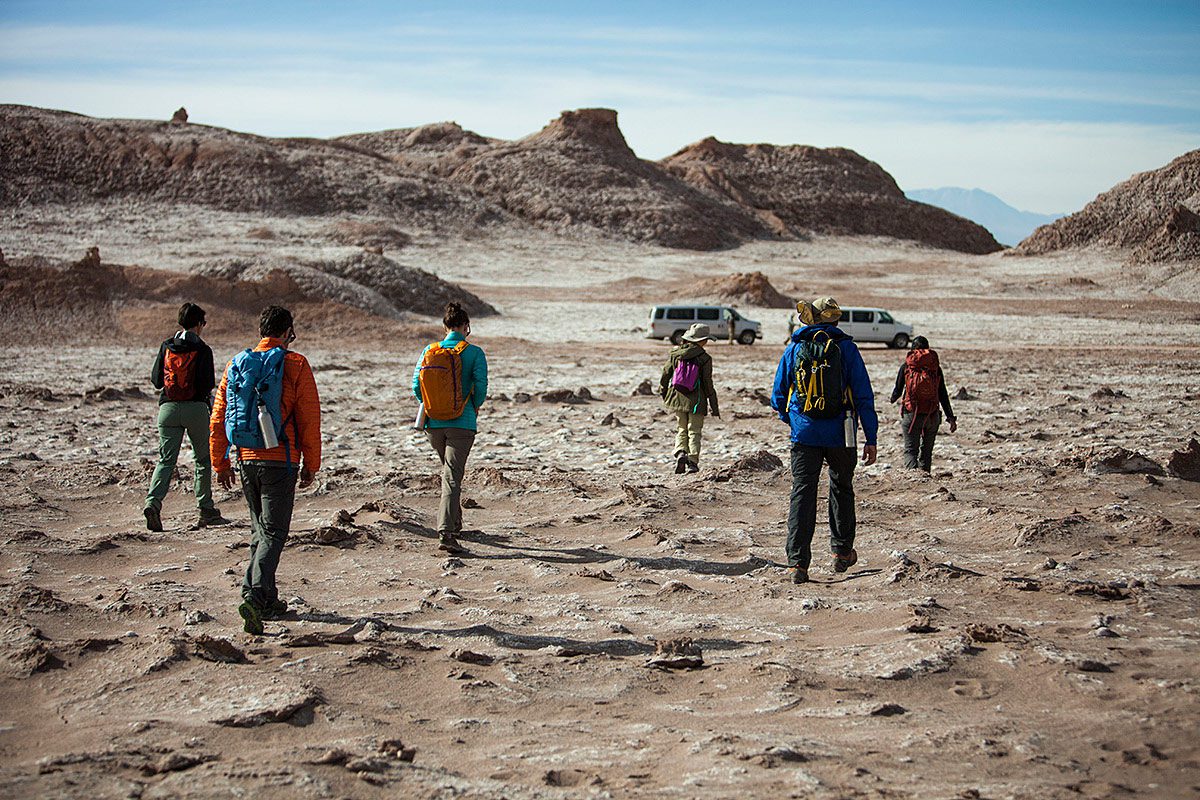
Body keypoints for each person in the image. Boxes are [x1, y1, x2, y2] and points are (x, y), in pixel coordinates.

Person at [209, 306, 321, 634]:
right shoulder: (295, 364)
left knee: (260, 529)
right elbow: (308, 418)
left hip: (245, 459)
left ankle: (267, 597)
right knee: (274, 532)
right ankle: (256, 597)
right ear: (287, 332)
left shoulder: (237, 363)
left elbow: (218, 416)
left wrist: (221, 461)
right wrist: (311, 464)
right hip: (280, 459)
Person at [771, 298, 878, 584]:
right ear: (835, 320)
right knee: (841, 487)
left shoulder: (794, 348)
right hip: (842, 432)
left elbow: (778, 395)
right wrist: (871, 437)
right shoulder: (847, 349)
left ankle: (797, 564)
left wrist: (793, 420)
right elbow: (864, 396)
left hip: (804, 432)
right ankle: (841, 553)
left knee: (802, 492)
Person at [413, 302, 488, 555]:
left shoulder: (428, 350)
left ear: (444, 327)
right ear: (466, 326)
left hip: (433, 424)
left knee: (449, 473)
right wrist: (473, 408)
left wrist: (434, 407)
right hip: (462, 423)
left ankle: (455, 524)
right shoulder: (474, 352)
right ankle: (445, 532)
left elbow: (416, 387)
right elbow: (481, 387)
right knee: (452, 477)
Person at [144, 302, 221, 531]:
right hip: (196, 409)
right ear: (198, 324)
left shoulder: (166, 346)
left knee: (166, 460)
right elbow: (207, 384)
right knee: (202, 460)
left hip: (167, 410)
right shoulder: (203, 350)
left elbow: (157, 380)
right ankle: (205, 508)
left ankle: (153, 503)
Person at [890, 335, 957, 472]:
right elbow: (943, 394)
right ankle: (925, 478)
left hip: (912, 414)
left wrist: (893, 398)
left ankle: (913, 479)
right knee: (926, 452)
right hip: (932, 415)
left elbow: (897, 389)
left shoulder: (907, 367)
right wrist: (950, 417)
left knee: (910, 451)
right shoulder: (935, 368)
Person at [659, 322, 720, 474]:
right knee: (694, 431)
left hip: (677, 397)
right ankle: (692, 462)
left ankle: (680, 452)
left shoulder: (676, 354)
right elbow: (707, 383)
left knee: (681, 428)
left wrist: (664, 391)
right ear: (703, 340)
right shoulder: (705, 358)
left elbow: (665, 374)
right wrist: (714, 405)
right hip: (696, 401)